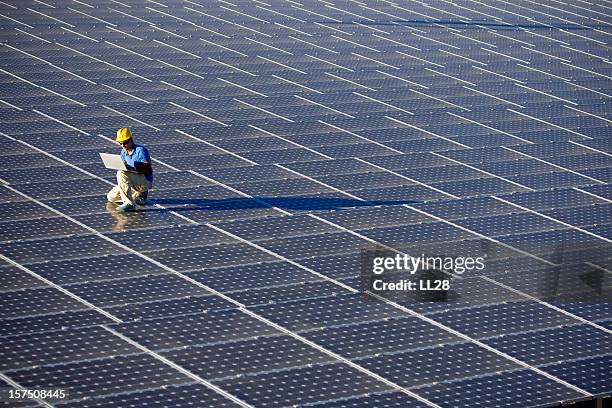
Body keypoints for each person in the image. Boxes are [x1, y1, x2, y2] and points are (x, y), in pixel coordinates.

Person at [106, 127, 153, 212]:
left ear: (131, 139)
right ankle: (139, 196)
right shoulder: (123, 152)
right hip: (132, 182)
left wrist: (134, 168)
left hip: (144, 181)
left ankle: (130, 203)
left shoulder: (140, 150)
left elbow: (148, 168)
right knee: (111, 197)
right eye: (121, 143)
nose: (123, 145)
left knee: (121, 173)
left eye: (125, 143)